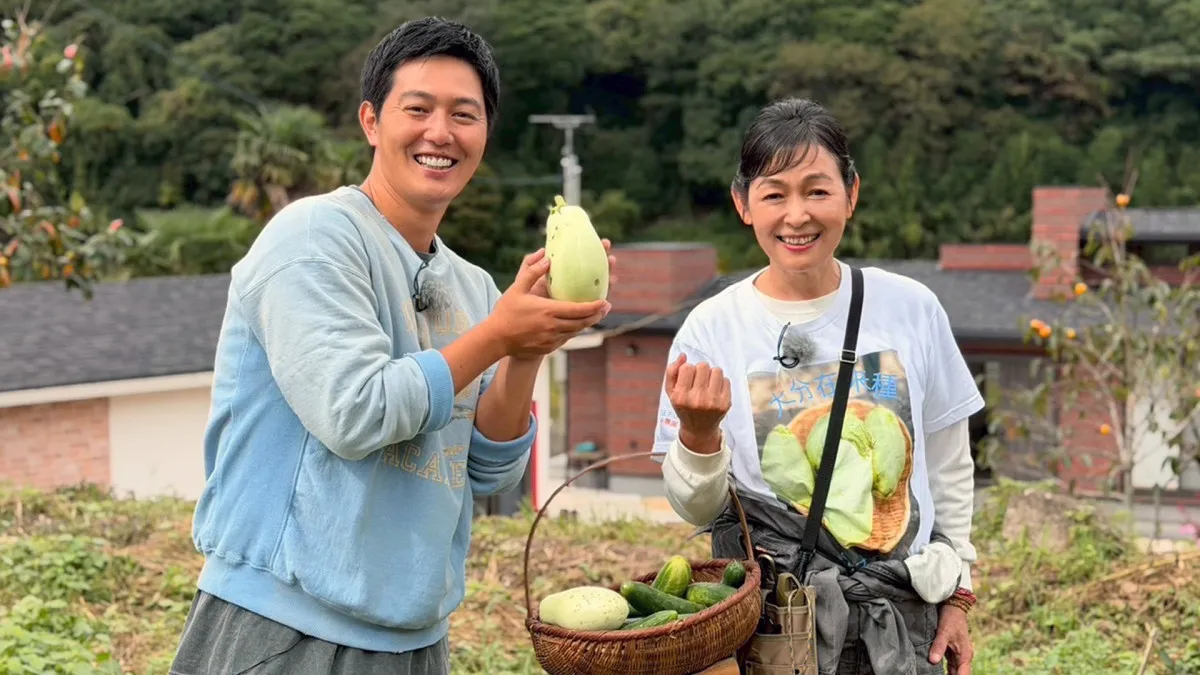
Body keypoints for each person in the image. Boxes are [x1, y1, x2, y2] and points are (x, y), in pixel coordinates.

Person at [169, 17, 612, 675]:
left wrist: (524, 349)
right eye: (419, 108)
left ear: (485, 134)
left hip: (413, 639)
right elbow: (355, 412)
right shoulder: (314, 238)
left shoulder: (474, 285)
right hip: (284, 626)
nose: (441, 132)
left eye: (465, 113)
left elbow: (490, 471)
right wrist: (495, 335)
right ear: (372, 121)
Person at [652, 98, 982, 675]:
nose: (796, 215)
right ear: (743, 204)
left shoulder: (910, 308)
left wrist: (957, 593)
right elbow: (696, 508)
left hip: (904, 617)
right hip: (778, 624)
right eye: (774, 193)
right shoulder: (712, 327)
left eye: (818, 191)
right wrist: (699, 436)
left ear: (851, 195)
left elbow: (950, 465)